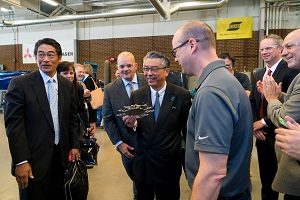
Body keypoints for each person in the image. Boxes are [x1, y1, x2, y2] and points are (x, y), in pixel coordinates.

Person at [172, 20, 253, 200]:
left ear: (191, 45)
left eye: (175, 51)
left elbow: (212, 174)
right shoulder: (224, 81)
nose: (175, 58)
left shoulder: (211, 91)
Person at [5, 38, 80, 200]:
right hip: (32, 163)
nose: (45, 59)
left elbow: (72, 118)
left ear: (59, 58)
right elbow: (14, 126)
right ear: (35, 57)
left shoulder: (66, 85)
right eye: (41, 54)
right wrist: (21, 161)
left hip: (61, 160)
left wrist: (74, 145)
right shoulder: (20, 84)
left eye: (50, 55)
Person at [123, 51, 191, 200]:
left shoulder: (181, 95)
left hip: (168, 164)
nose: (148, 73)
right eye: (145, 69)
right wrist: (131, 125)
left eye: (154, 69)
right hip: (144, 164)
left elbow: (187, 131)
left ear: (166, 71)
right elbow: (133, 125)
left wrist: (190, 161)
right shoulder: (137, 95)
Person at [249, 34, 300, 200]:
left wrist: (264, 119)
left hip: (282, 134)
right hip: (263, 135)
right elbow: (253, 102)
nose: (264, 52)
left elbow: (284, 118)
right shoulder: (258, 74)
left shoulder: (292, 70)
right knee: (267, 179)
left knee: (284, 182)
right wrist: (256, 124)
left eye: (268, 48)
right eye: (262, 49)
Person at [102, 51, 148, 199]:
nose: (125, 69)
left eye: (129, 65)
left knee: (155, 184)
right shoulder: (110, 89)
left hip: (153, 143)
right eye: (122, 66)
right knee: (138, 182)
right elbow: (108, 119)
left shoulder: (148, 80)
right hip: (129, 146)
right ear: (117, 67)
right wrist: (119, 143)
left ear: (136, 65)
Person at [57, 61, 90, 139]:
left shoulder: (79, 87)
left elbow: (82, 107)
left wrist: (87, 125)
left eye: (71, 73)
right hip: (60, 126)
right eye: (65, 73)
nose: (69, 76)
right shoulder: (55, 89)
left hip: (75, 125)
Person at [81, 64, 97, 135]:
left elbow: (89, 91)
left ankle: (93, 136)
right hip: (90, 103)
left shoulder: (88, 79)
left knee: (91, 121)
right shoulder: (90, 78)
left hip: (90, 103)